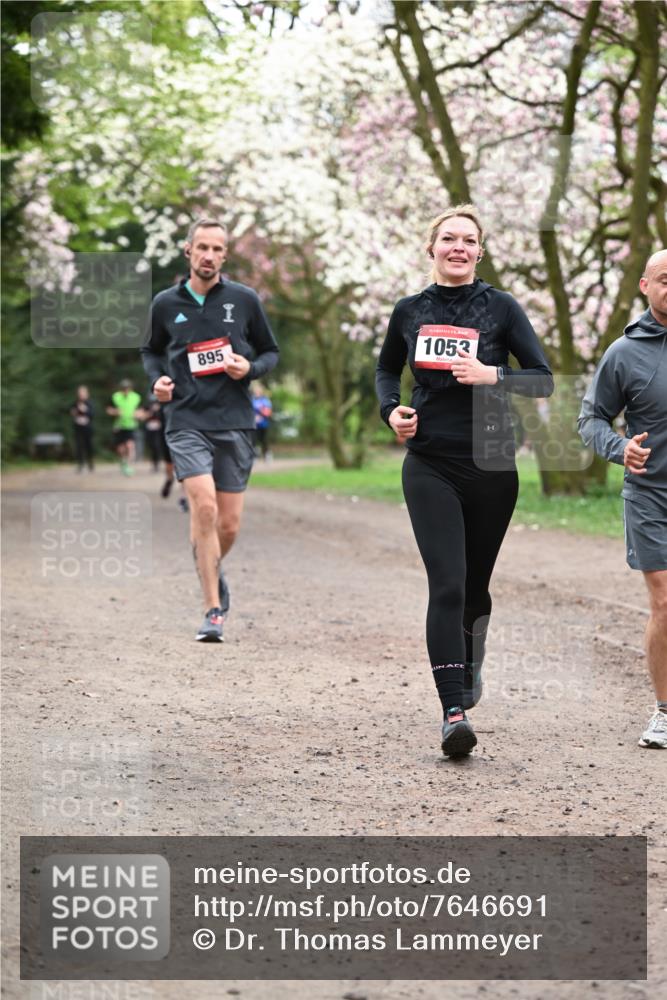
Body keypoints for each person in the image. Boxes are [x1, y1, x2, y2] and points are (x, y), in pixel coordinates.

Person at [375, 205, 553, 758]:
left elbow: (543, 380)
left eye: (468, 240)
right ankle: (453, 712)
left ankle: (470, 662)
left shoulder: (501, 308)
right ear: (431, 249)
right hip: (430, 461)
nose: (458, 247)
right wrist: (391, 410)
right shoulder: (410, 311)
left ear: (480, 251)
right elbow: (386, 369)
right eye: (448, 238)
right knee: (447, 584)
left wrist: (492, 374)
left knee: (475, 587)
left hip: (493, 465)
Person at [140, 217, 279, 641]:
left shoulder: (244, 299)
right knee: (203, 507)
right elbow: (150, 350)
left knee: (228, 525)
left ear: (224, 255)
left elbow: (270, 352)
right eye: (203, 247)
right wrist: (157, 382)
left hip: (235, 421)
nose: (210, 256)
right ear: (188, 251)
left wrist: (249, 368)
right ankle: (212, 609)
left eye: (218, 249)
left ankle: (208, 557)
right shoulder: (165, 303)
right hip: (185, 419)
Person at [578, 249, 667, 750]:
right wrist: (620, 448)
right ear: (645, 285)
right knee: (664, 600)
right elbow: (590, 419)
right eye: (664, 279)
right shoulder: (624, 352)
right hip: (651, 493)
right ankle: (664, 712)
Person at [106, 379, 142, 475]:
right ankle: (123, 461)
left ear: (130, 388)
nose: (125, 390)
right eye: (124, 388)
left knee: (130, 445)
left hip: (131, 425)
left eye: (127, 388)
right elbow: (108, 409)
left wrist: (138, 414)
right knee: (121, 448)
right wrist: (115, 412)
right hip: (119, 425)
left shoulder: (136, 397)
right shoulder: (115, 397)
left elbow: (141, 410)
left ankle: (129, 466)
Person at [70, 385, 94, 472]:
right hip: (78, 427)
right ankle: (80, 464)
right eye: (79, 393)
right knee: (79, 446)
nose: (81, 394)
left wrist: (85, 410)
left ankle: (90, 462)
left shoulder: (89, 403)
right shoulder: (75, 403)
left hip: (87, 428)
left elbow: (92, 415)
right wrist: (74, 412)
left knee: (88, 446)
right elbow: (71, 412)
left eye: (82, 393)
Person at [252, 383, 273, 460]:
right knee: (254, 441)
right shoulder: (252, 400)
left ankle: (267, 455)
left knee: (264, 440)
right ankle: (255, 456)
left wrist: (261, 415)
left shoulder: (265, 400)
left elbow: (268, 412)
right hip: (254, 424)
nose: (256, 391)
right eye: (255, 390)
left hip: (263, 424)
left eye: (258, 390)